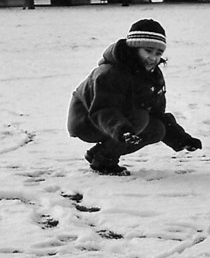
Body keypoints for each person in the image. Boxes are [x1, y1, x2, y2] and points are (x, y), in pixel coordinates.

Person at [67, 19, 202, 175]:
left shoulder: (152, 76)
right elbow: (103, 109)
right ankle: (104, 161)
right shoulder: (109, 73)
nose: (153, 58)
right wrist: (122, 130)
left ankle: (98, 153)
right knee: (140, 118)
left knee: (157, 129)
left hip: (120, 121)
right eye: (148, 51)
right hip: (88, 121)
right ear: (134, 48)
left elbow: (157, 114)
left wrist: (182, 139)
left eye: (158, 53)